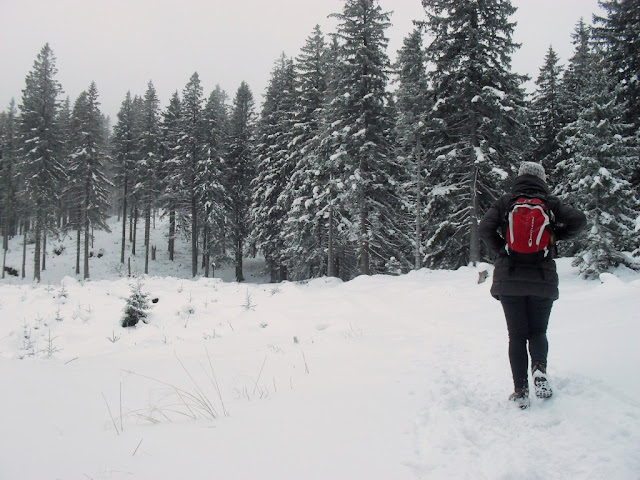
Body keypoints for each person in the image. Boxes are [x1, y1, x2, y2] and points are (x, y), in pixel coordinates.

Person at [478, 161, 586, 408]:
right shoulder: (550, 203)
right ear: (541, 179)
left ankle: (521, 390)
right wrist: (555, 239)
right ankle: (539, 368)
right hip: (542, 278)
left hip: (510, 278)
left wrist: (502, 251)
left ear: (519, 177)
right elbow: (579, 220)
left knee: (516, 336)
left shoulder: (506, 202)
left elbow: (485, 228)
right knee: (538, 331)